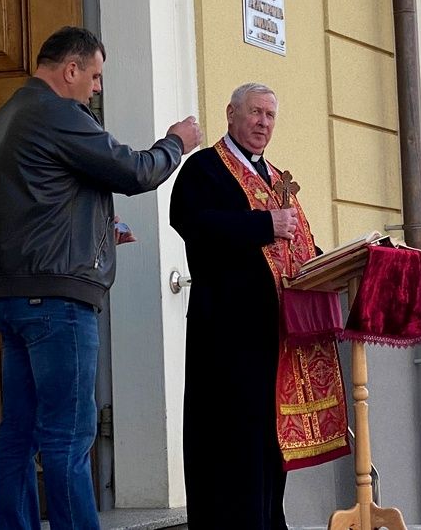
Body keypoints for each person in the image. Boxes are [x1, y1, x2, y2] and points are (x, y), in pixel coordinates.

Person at [0, 26, 202, 530]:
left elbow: (35, 202)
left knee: (18, 436)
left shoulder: (8, 116)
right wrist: (176, 143)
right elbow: (133, 171)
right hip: (57, 303)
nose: (97, 88)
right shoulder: (58, 113)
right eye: (95, 76)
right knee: (68, 438)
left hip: (12, 295)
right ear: (71, 69)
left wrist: (100, 230)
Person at [170, 83, 349, 530]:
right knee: (231, 440)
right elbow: (192, 222)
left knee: (269, 442)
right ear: (231, 113)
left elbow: (298, 248)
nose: (263, 123)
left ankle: (269, 521)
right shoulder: (204, 168)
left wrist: (338, 265)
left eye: (270, 115)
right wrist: (264, 224)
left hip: (275, 334)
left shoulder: (276, 177)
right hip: (226, 332)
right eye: (255, 113)